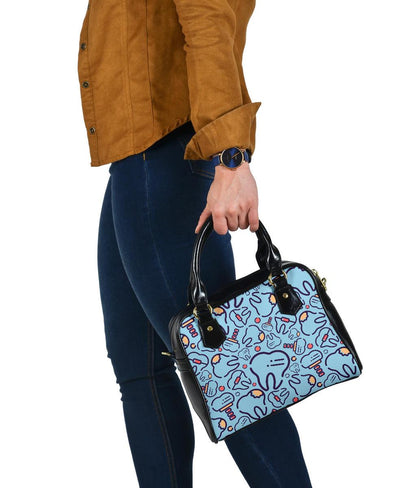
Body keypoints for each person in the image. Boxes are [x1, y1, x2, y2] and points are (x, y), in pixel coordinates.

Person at [77, 1, 313, 486]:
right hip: (135, 161)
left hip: (165, 156)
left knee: (229, 376)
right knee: (141, 369)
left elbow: (208, 21)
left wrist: (231, 157)